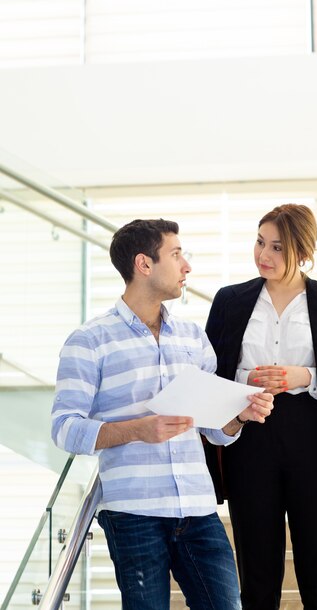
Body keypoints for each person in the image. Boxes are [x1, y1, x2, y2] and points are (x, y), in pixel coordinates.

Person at [51, 218, 274, 610]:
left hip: (198, 509)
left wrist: (241, 414)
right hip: (133, 514)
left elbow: (216, 430)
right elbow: (65, 429)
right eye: (176, 254)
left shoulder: (192, 338)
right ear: (144, 264)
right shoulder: (89, 341)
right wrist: (136, 430)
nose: (186, 266)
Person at [205, 204, 317, 610]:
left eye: (277, 247)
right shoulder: (229, 301)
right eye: (259, 242)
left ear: (302, 252)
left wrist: (302, 376)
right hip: (250, 441)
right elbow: (209, 373)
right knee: (257, 578)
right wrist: (246, 380)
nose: (263, 255)